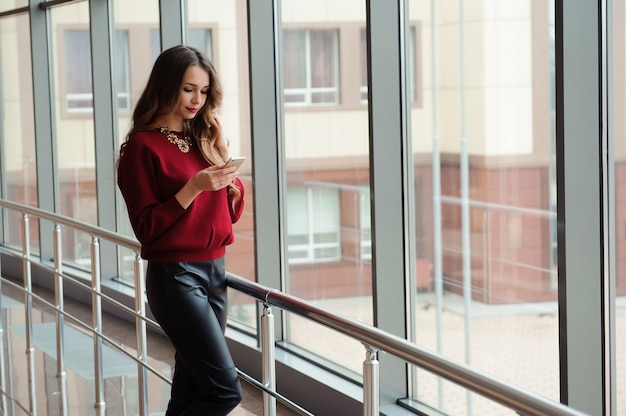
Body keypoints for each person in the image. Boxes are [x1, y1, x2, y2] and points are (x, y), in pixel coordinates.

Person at [117, 45, 244, 415]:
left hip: (215, 272)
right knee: (224, 391)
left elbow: (230, 214)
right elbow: (146, 229)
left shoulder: (200, 139)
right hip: (176, 275)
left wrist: (220, 151)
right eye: (189, 89)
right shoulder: (141, 147)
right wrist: (193, 187)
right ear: (167, 85)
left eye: (204, 92)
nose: (197, 100)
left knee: (191, 387)